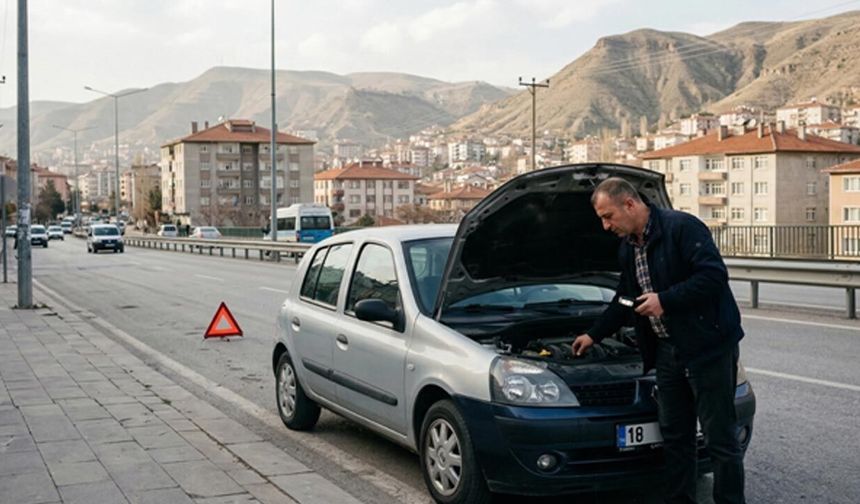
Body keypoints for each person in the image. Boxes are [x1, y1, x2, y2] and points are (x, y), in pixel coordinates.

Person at [571, 177, 746, 504]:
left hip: (708, 350)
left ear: (630, 204)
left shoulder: (682, 228)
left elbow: (713, 277)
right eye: (601, 220)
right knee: (677, 439)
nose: (606, 226)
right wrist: (593, 334)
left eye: (608, 217)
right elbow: (626, 299)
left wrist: (666, 300)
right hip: (669, 354)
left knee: (720, 440)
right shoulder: (628, 248)